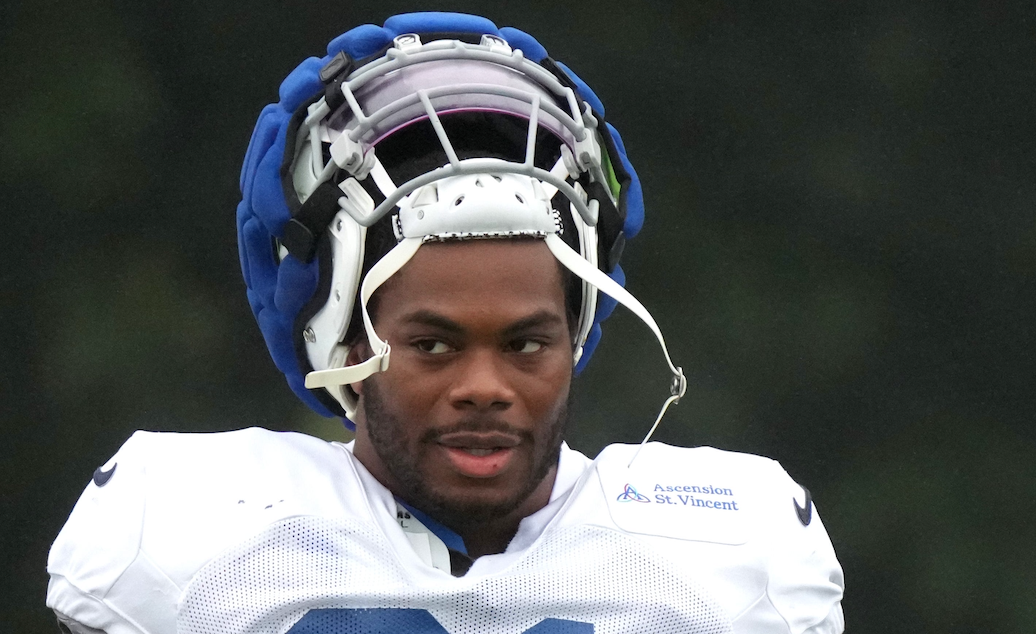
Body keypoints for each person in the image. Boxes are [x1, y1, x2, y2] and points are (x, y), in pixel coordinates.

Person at [46, 12, 844, 634]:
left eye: (525, 343)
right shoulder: (188, 544)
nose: (484, 389)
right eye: (432, 345)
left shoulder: (734, 563)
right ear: (343, 340)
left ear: (578, 334)